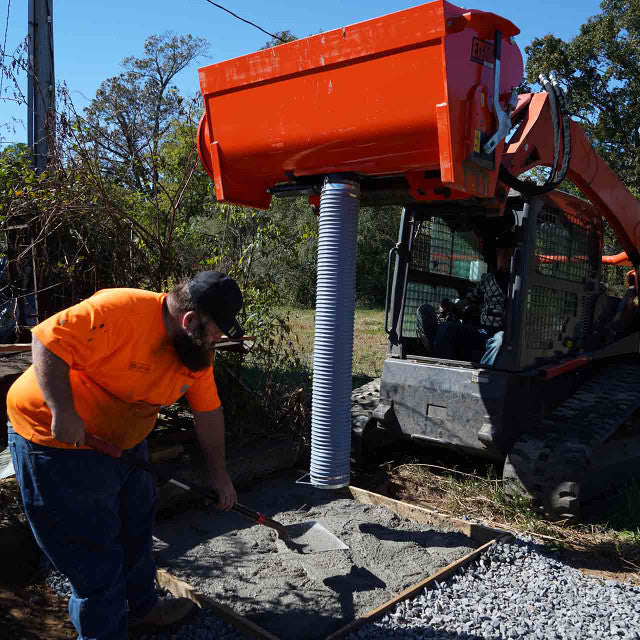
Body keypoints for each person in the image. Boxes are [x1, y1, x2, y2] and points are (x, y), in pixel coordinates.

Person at [6, 271, 243, 639]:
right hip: (58, 445)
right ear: (190, 320)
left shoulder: (195, 353)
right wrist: (62, 411)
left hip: (125, 445)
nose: (218, 339)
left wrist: (219, 471)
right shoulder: (119, 311)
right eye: (216, 330)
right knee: (91, 558)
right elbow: (47, 341)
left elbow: (208, 411)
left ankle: (141, 610)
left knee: (135, 532)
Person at [417, 245, 512, 366]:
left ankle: (483, 373)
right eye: (503, 252)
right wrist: (451, 307)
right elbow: (468, 301)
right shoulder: (488, 279)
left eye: (510, 253)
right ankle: (441, 366)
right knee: (446, 329)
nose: (507, 256)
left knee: (501, 340)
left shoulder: (522, 282)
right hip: (483, 331)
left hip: (507, 332)